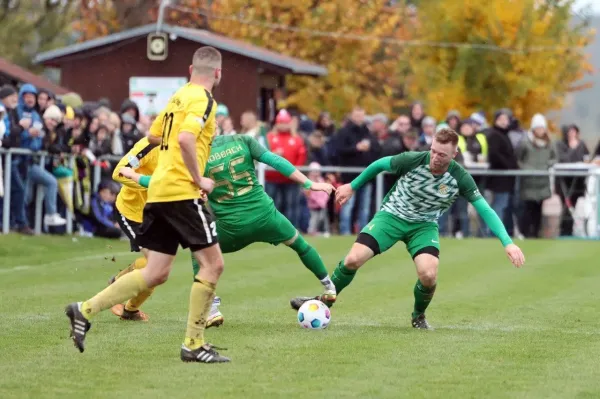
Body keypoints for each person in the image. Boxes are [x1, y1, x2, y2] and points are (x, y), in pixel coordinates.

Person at [64, 46, 230, 364]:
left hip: (158, 194)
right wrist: (199, 178)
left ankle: (84, 310)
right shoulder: (204, 100)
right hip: (182, 191)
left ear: (190, 70)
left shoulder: (178, 98)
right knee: (213, 265)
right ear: (218, 74)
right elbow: (183, 139)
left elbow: (155, 136)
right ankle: (194, 343)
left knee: (156, 271)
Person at [290, 128, 525, 329]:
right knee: (353, 259)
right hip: (391, 216)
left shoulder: (460, 178)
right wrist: (352, 186)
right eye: (433, 151)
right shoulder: (413, 160)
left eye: (442, 155)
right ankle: (323, 302)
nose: (435, 157)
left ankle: (418, 316)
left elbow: (485, 209)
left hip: (423, 226)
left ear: (455, 154)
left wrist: (508, 242)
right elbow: (380, 164)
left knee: (429, 275)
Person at [116, 134, 337, 325]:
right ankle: (329, 287)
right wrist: (309, 183)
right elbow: (275, 160)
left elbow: (167, 184)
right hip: (267, 217)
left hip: (232, 227)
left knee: (199, 251)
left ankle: (211, 308)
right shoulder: (243, 140)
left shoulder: (196, 158)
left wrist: (135, 176)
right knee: (301, 245)